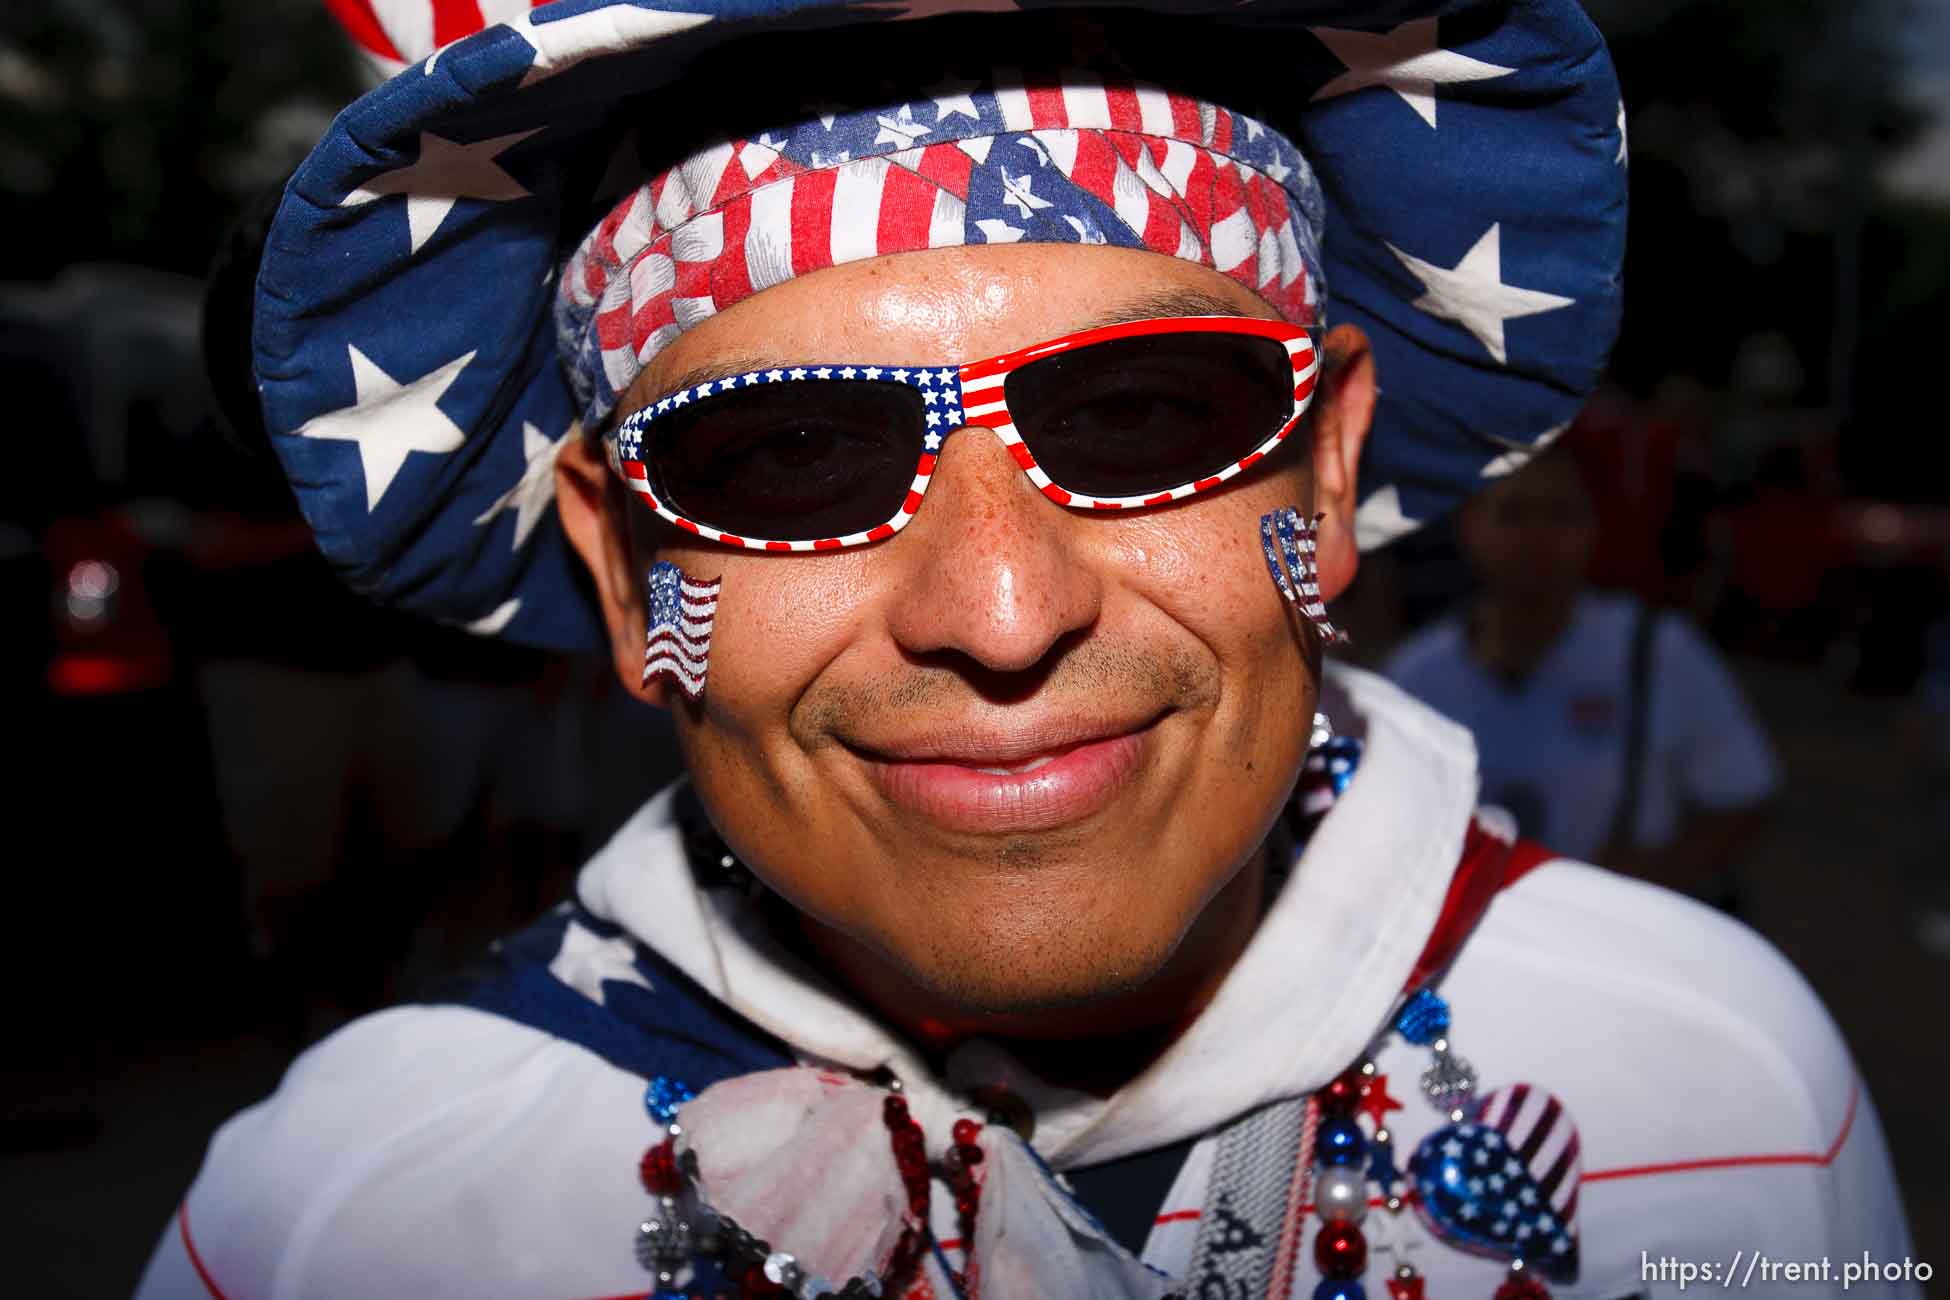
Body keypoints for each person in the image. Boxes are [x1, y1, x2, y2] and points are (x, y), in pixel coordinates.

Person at [138, 2, 1915, 1297]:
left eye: (1146, 417)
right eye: (792, 459)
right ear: (621, 574)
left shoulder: (1716, 1083)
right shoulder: (348, 1220)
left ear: (1329, 468)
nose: (1000, 611)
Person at [1386, 447, 1781, 905]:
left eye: (1561, 514)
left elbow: (1744, 793)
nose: (1539, 538)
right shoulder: (1418, 674)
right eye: (1513, 514)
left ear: (1594, 528)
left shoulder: (1656, 651)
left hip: (1622, 938)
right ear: (1467, 526)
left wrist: (1658, 875)